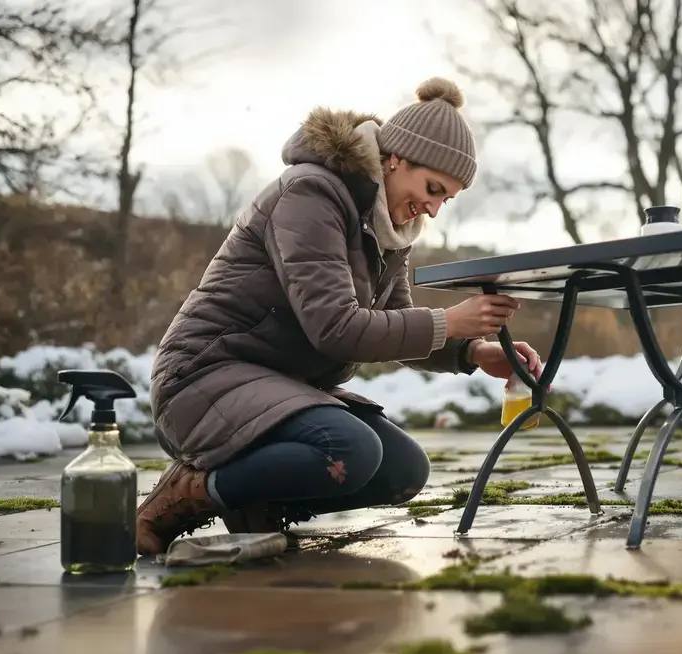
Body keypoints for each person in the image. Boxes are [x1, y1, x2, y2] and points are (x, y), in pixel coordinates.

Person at [138, 77, 540, 556]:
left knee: (404, 470)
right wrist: (451, 321)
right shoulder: (312, 193)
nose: (432, 208)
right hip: (204, 377)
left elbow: (395, 322)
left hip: (280, 388)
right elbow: (337, 329)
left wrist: (472, 350)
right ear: (396, 158)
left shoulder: (391, 229)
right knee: (348, 449)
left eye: (445, 199)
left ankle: (256, 504)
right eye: (432, 188)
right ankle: (188, 494)